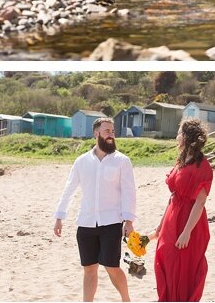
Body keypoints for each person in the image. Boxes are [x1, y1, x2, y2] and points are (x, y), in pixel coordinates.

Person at [54, 117, 137, 302]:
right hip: (86, 223)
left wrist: (129, 221)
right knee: (89, 269)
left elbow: (129, 193)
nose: (111, 135)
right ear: (96, 133)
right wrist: (60, 216)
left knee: (112, 267)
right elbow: (69, 189)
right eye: (107, 131)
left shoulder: (122, 161)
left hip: (111, 223)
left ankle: (126, 299)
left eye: (113, 132)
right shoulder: (81, 161)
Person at [152, 118, 213, 302]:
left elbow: (200, 202)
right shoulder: (181, 161)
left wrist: (187, 232)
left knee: (183, 270)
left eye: (179, 132)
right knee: (165, 262)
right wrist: (159, 228)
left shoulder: (202, 165)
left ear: (187, 137)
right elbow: (173, 198)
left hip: (189, 223)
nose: (177, 136)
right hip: (172, 221)